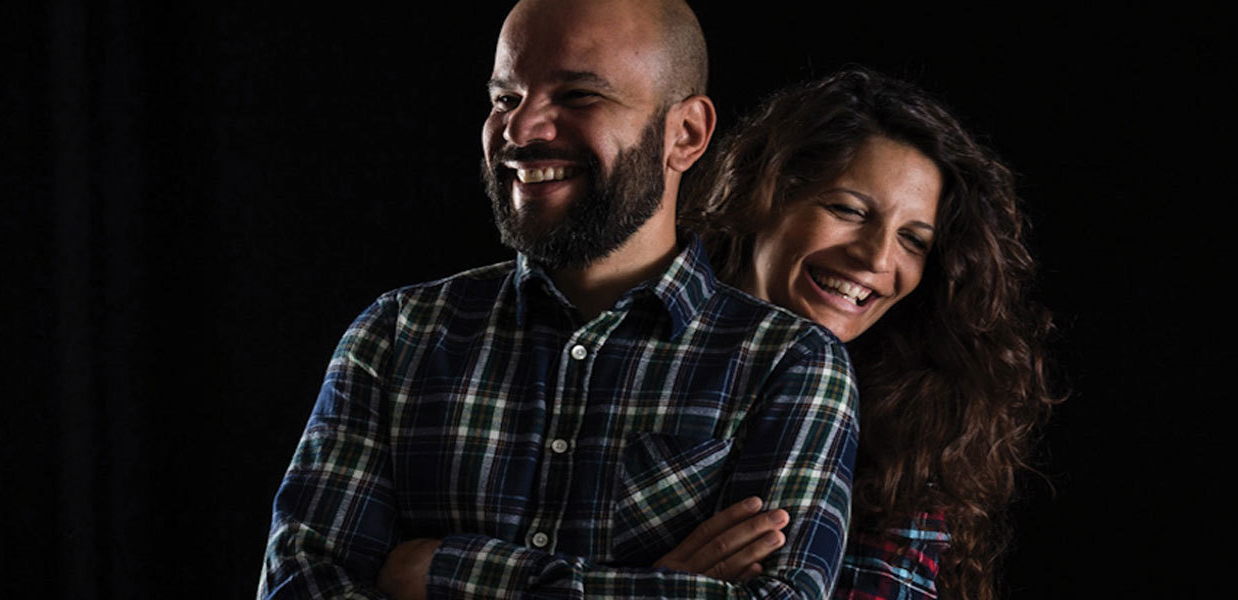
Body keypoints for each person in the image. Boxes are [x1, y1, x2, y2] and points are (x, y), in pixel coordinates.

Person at [257, 1, 859, 598]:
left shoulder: (789, 363)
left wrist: (442, 572)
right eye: (505, 98)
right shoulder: (397, 335)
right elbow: (300, 585)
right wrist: (654, 589)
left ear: (686, 134)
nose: (521, 130)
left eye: (578, 96)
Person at [674, 68, 1059, 599]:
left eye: (913, 240)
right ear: (764, 192)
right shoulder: (627, 343)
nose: (877, 258)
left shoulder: (910, 443)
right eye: (849, 211)